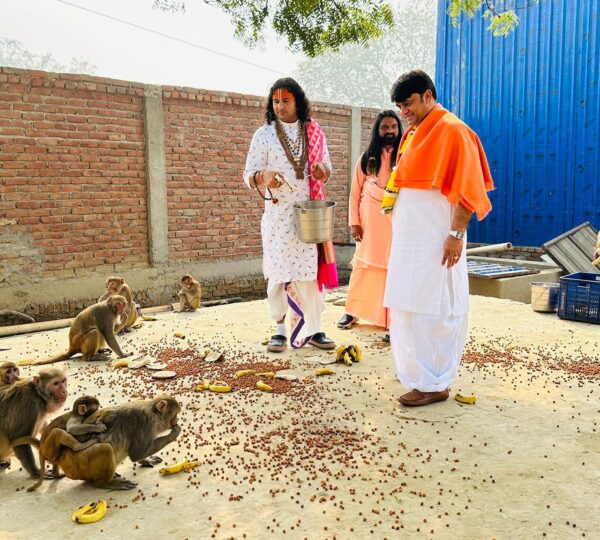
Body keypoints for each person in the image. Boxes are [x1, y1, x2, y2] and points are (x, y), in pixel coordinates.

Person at [382, 70, 494, 407]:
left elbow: (466, 190)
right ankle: (417, 374)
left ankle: (434, 381)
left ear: (428, 95)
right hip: (409, 241)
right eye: (400, 106)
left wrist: (456, 234)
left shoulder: (453, 131)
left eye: (409, 104)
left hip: (436, 239)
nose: (404, 112)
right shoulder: (414, 133)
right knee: (407, 304)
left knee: (436, 306)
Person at [243, 78, 338, 353]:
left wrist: (322, 170)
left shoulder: (314, 131)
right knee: (279, 272)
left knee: (309, 272)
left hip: (308, 215)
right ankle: (280, 330)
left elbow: (328, 166)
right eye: (275, 101)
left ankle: (315, 328)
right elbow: (247, 175)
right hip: (278, 217)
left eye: (285, 100)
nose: (280, 106)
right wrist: (264, 176)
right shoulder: (264, 135)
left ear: (297, 101)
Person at [337, 111, 402, 334]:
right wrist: (354, 223)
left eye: (394, 126)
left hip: (394, 221)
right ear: (377, 130)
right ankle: (352, 311)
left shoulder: (405, 156)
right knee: (363, 266)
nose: (390, 131)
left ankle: (393, 318)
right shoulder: (366, 158)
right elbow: (355, 193)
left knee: (393, 268)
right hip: (369, 223)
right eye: (385, 127)